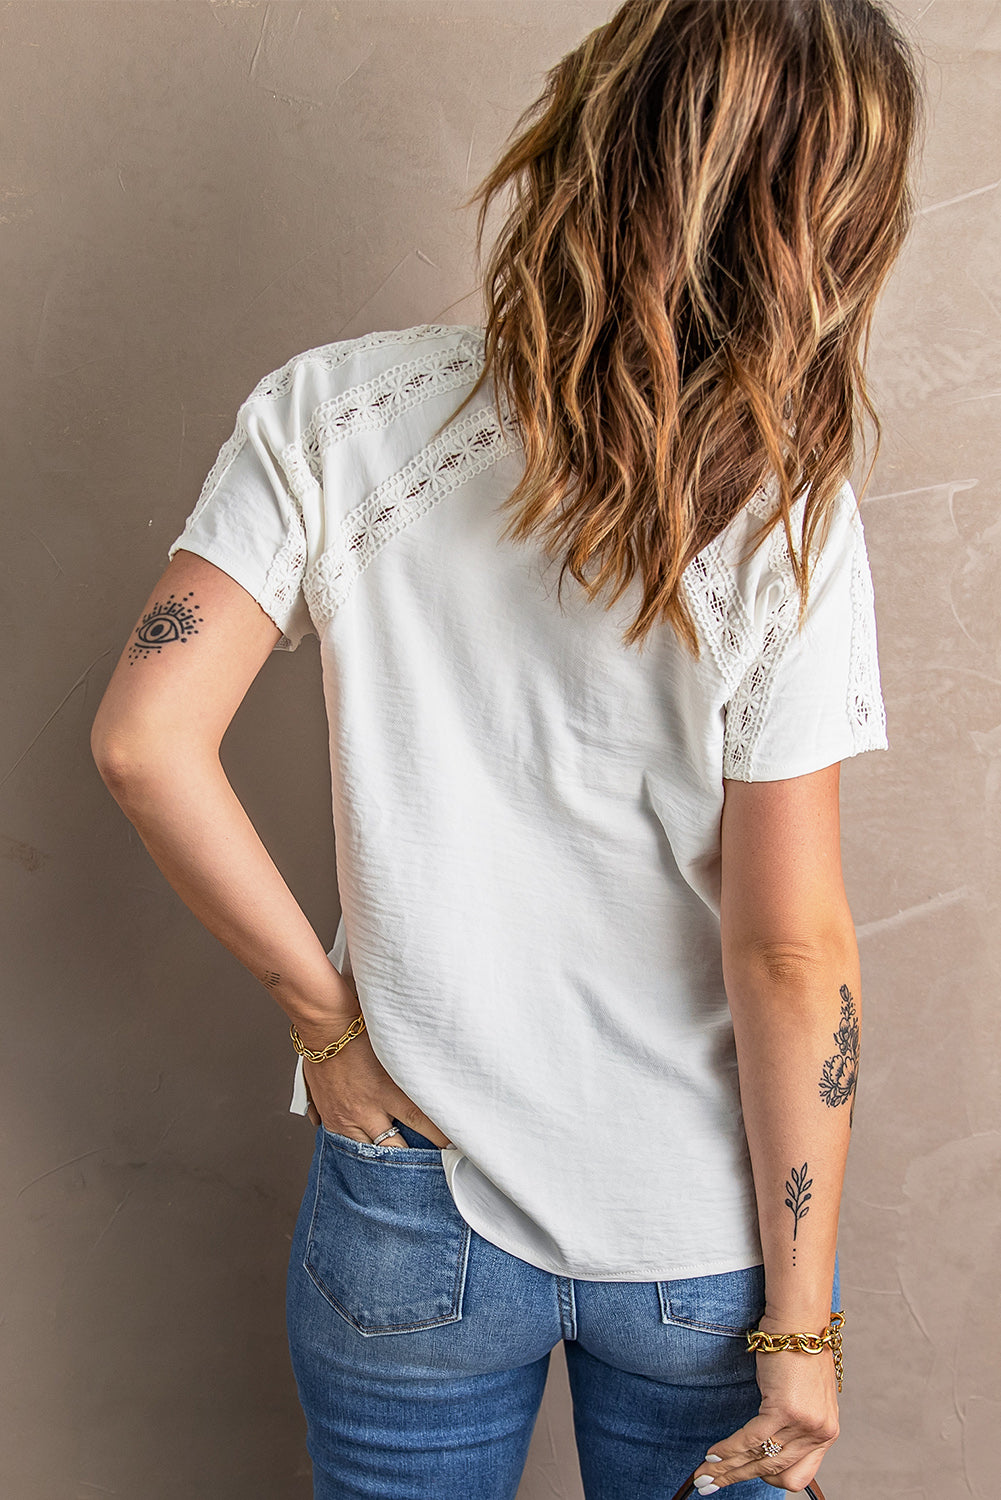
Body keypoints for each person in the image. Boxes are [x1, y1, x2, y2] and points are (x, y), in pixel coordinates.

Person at [90, 1, 924, 1495]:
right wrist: (800, 1328)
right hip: (705, 1232)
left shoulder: (334, 411)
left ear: (590, 126)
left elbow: (147, 739)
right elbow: (789, 947)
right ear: (826, 224)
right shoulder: (785, 509)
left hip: (413, 1194)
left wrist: (325, 1028)